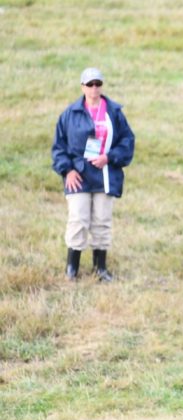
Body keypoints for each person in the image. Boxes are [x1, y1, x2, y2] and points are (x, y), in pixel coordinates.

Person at [51, 68, 135, 282]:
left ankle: (100, 268)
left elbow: (127, 142)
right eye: (90, 84)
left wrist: (109, 157)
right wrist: (67, 169)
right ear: (82, 87)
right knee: (78, 218)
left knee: (102, 220)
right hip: (79, 175)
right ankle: (72, 268)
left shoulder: (114, 112)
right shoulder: (70, 114)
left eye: (98, 84)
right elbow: (59, 146)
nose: (94, 88)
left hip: (105, 175)